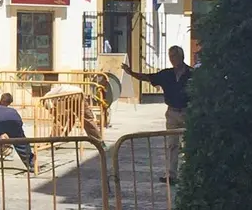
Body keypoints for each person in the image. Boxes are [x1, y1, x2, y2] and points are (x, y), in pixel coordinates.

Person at [122, 45, 192, 183]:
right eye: (170, 56)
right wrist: (131, 73)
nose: (172, 59)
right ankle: (172, 175)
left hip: (187, 111)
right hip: (172, 112)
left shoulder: (191, 73)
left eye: (175, 56)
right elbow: (148, 77)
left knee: (189, 144)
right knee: (172, 144)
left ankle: (190, 174)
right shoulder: (166, 74)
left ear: (181, 57)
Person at [41, 83, 105, 150]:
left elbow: (54, 110)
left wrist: (55, 112)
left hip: (67, 95)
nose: (51, 113)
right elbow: (71, 117)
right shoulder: (54, 92)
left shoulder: (47, 98)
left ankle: (52, 142)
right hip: (79, 93)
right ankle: (99, 140)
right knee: (87, 119)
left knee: (60, 121)